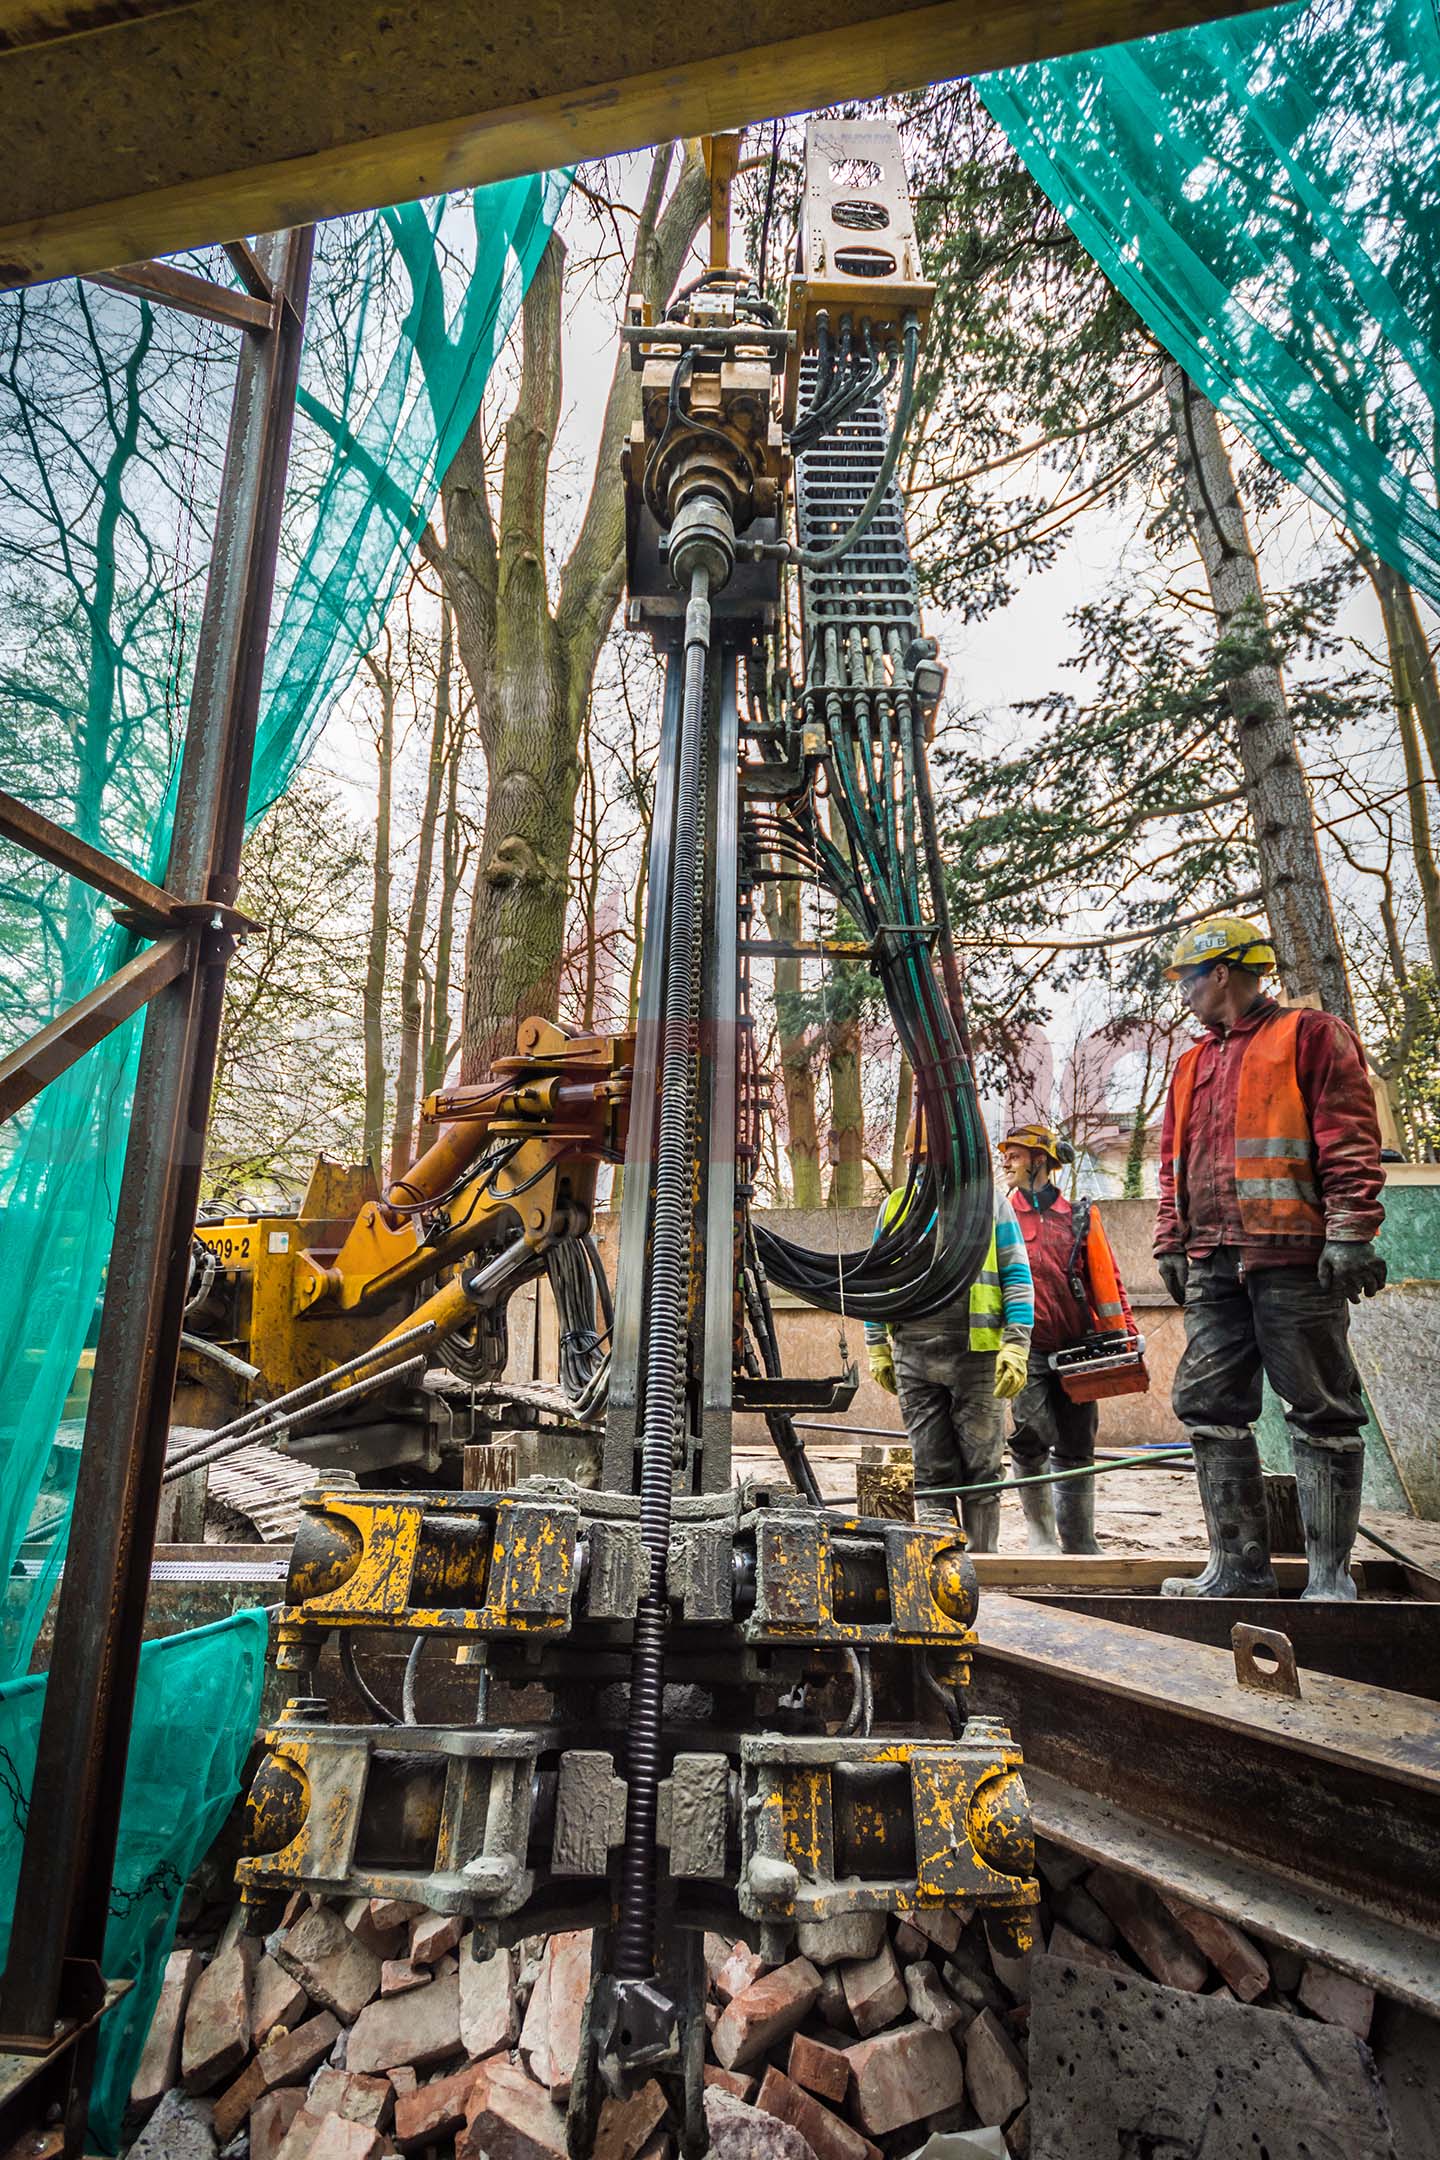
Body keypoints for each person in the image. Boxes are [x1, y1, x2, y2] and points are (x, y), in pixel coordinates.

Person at [1155, 916, 1386, 1602]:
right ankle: (1239, 1571)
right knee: (1206, 1404)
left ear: (1221, 973)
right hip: (1216, 1260)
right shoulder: (1193, 1062)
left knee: (1321, 1408)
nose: (1186, 994)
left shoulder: (1310, 1037)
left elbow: (1349, 1140)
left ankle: (1329, 1579)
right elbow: (1175, 1163)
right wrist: (1171, 1238)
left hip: (1292, 1258)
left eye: (1189, 979)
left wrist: (1349, 1232)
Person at [866, 1132, 1033, 1549]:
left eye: (933, 1157)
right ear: (910, 1159)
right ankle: (941, 1568)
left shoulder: (988, 1203)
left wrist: (1015, 1343)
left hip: (977, 1352)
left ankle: (983, 1565)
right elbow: (875, 1280)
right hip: (914, 1353)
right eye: (919, 1159)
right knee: (931, 1467)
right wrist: (877, 1346)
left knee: (982, 1468)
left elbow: (1016, 1275)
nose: (927, 1167)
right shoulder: (896, 1208)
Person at [1001, 1122, 1135, 1555]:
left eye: (1016, 1155)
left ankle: (1080, 1541)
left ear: (1041, 1161)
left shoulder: (1079, 1216)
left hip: (1078, 1350)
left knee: (1078, 1443)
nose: (1007, 1161)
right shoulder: (1001, 1217)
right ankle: (1041, 1537)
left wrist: (1125, 1335)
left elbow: (1107, 1280)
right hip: (1026, 1348)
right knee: (1030, 1434)